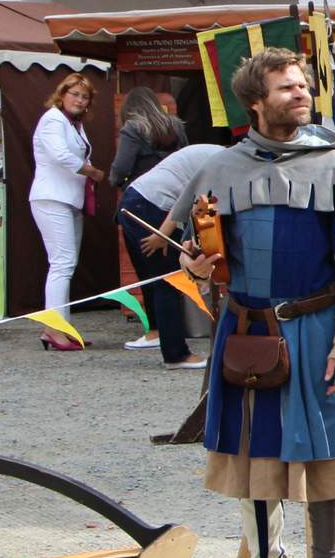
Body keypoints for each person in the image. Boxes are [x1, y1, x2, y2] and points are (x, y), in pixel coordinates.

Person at [174, 48, 335, 558]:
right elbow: (211, 257)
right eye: (286, 89)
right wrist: (200, 266)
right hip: (247, 329)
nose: (301, 95)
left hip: (318, 331)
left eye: (302, 86)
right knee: (255, 456)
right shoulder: (222, 170)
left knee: (326, 455)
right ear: (254, 102)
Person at [116, 141, 224, 371]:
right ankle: (176, 355)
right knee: (168, 282)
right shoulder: (225, 166)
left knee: (153, 278)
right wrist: (163, 235)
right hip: (152, 205)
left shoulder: (215, 154)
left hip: (133, 198)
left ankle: (156, 332)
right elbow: (190, 202)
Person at [30, 72, 106, 352]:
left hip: (68, 199)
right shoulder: (52, 119)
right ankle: (55, 330)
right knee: (61, 264)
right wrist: (92, 171)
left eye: (84, 97)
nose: (79, 100)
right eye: (74, 94)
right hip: (52, 198)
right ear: (62, 95)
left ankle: (59, 327)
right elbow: (61, 156)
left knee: (65, 265)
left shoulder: (72, 124)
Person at [111, 88, 188, 353]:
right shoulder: (175, 126)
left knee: (149, 274)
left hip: (142, 202)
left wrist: (116, 182)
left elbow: (121, 167)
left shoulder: (133, 127)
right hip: (174, 203)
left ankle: (156, 331)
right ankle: (174, 330)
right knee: (169, 270)